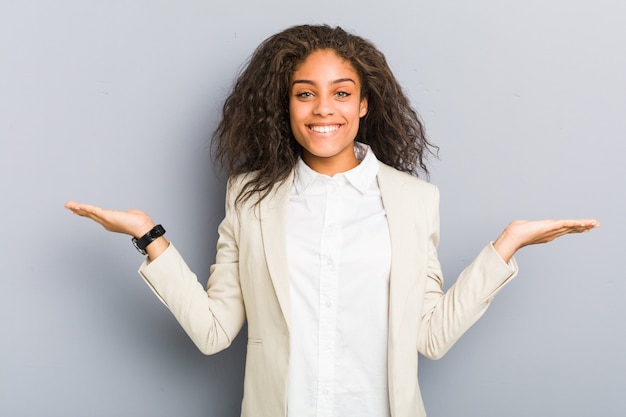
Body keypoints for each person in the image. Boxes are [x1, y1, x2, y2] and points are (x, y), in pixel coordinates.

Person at [65, 24, 598, 417]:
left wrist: (505, 247)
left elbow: (429, 336)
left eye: (341, 92)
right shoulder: (249, 199)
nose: (324, 109)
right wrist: (148, 235)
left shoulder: (414, 200)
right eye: (306, 94)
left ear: (364, 104)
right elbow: (213, 332)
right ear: (287, 105)